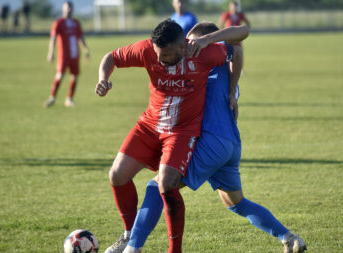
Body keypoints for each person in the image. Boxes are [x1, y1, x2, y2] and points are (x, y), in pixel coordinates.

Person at [122, 22, 307, 253]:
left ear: (207, 43)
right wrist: (231, 91)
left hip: (209, 142)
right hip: (230, 146)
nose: (186, 47)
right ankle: (288, 237)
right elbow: (237, 49)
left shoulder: (204, 64)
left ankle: (132, 247)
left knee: (158, 184)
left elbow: (239, 35)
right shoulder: (228, 72)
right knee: (235, 202)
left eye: (191, 41)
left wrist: (207, 41)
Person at [95, 19, 248, 253]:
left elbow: (239, 41)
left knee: (166, 185)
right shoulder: (147, 49)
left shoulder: (201, 53)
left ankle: (174, 250)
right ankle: (128, 235)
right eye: (157, 53)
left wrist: (231, 91)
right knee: (116, 175)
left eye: (165, 55)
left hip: (181, 132)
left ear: (182, 47)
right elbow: (111, 57)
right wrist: (103, 79)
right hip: (149, 126)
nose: (159, 59)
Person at [44, 1, 90, 108]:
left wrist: (86, 50)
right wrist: (51, 53)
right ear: (63, 9)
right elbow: (53, 38)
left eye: (70, 7)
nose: (68, 9)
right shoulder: (59, 22)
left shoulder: (76, 23)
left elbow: (81, 37)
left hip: (75, 54)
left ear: (72, 9)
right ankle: (52, 98)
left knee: (74, 76)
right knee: (60, 75)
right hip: (63, 55)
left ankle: (69, 99)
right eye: (66, 7)